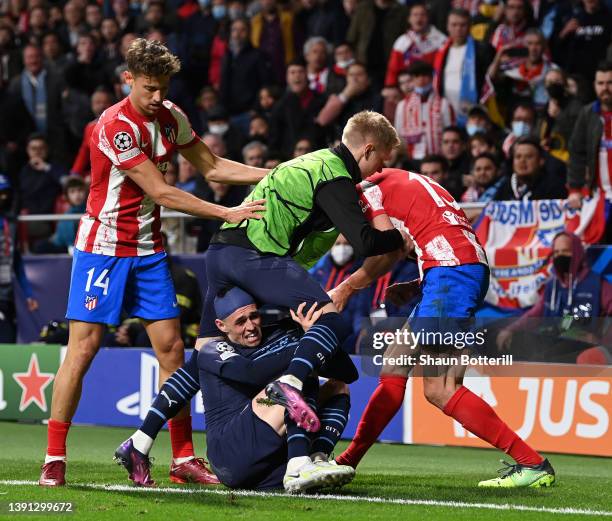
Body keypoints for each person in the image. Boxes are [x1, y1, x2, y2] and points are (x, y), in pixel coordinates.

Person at [38, 38, 268, 488]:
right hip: (102, 250)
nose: (158, 96)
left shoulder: (171, 115)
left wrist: (276, 173)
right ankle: (54, 456)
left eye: (163, 87)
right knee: (82, 351)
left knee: (173, 351)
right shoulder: (114, 126)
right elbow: (161, 192)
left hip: (148, 252)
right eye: (149, 88)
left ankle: (182, 457)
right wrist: (227, 212)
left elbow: (214, 166)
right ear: (128, 80)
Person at [329, 167, 556, 488]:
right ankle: (348, 462)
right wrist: (420, 283)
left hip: (451, 275)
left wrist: (345, 288)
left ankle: (532, 463)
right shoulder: (408, 179)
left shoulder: (367, 191)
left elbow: (391, 249)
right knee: (396, 365)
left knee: (441, 387)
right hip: (456, 272)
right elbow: (439, 233)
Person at [199, 111, 406, 431]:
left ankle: (146, 442)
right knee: (331, 322)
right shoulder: (335, 177)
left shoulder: (314, 162)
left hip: (221, 252)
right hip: (252, 256)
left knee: (205, 348)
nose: (381, 168)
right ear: (367, 150)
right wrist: (399, 238)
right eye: (381, 158)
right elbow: (364, 243)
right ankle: (291, 385)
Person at [115, 286, 358, 491]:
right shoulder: (214, 350)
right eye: (240, 322)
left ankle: (316, 459)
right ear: (221, 325)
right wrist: (305, 349)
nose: (250, 326)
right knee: (291, 380)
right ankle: (299, 464)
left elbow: (349, 372)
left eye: (254, 316)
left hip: (269, 456)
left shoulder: (282, 331)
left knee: (338, 388)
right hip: (230, 455)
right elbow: (252, 373)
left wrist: (311, 334)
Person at [496, 231, 612, 363]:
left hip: (581, 346)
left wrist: (603, 343)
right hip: (553, 339)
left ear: (577, 252)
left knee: (547, 356)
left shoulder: (596, 283)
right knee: (511, 341)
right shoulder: (553, 285)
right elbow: (535, 314)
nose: (560, 256)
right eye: (556, 252)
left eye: (565, 251)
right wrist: (510, 330)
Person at [568, 60, 612, 243]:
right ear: (594, 85)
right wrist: (575, 189)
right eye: (600, 83)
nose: (605, 88)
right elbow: (577, 153)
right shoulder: (588, 114)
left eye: (610, 83)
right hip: (599, 197)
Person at [433, 8, 494, 125]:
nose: (458, 29)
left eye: (463, 25)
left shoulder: (482, 49)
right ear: (447, 26)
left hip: (473, 113)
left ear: (470, 26)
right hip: (446, 112)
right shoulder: (441, 50)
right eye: (454, 25)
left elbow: (489, 81)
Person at [0, 173, 39, 342]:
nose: (3, 197)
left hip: (7, 293)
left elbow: (16, 262)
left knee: (8, 339)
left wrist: (28, 294)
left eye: (5, 193)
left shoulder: (11, 223)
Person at [394, 61, 455, 165]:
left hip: (437, 158)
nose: (421, 80)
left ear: (432, 78)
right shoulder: (402, 106)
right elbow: (398, 135)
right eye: (417, 76)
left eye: (425, 75)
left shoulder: (443, 104)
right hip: (412, 159)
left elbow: (450, 132)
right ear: (412, 80)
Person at [384, 2, 447, 88]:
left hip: (434, 87)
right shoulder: (402, 41)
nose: (419, 18)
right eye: (415, 15)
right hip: (406, 89)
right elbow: (392, 70)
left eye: (422, 15)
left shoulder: (441, 40)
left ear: (428, 18)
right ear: (409, 19)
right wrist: (390, 87)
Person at [494, 137, 567, 201]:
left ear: (541, 161)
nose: (522, 161)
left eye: (529, 156)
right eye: (518, 157)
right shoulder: (504, 187)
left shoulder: (555, 187)